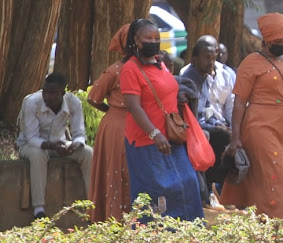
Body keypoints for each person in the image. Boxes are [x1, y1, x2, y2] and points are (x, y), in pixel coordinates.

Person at [222, 13, 283, 217]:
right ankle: (276, 222)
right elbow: (240, 102)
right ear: (265, 40)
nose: (282, 45)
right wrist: (236, 138)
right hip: (261, 126)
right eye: (277, 42)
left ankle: (280, 221)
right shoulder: (251, 62)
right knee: (273, 175)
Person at [119, 19, 203, 221]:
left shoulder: (160, 63)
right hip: (147, 141)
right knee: (156, 191)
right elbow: (133, 106)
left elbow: (167, 91)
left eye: (157, 38)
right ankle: (152, 237)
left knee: (188, 183)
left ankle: (189, 234)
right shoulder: (130, 69)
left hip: (173, 135)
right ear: (135, 41)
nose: (153, 42)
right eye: (148, 38)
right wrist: (155, 134)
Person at [17, 72, 94, 220]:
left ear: (63, 93)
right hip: (31, 145)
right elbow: (32, 138)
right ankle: (39, 209)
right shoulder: (32, 102)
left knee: (88, 153)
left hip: (59, 144)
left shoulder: (74, 102)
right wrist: (52, 146)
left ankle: (91, 204)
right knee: (38, 154)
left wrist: (74, 145)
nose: (47, 97)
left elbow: (79, 133)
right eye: (45, 92)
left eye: (53, 93)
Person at [181, 38, 235, 207]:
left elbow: (206, 109)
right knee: (221, 137)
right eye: (207, 58)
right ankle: (208, 192)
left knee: (233, 137)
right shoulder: (189, 78)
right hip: (188, 126)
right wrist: (214, 127)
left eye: (213, 57)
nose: (211, 62)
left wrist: (217, 123)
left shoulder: (205, 76)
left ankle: (224, 192)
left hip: (202, 125)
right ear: (195, 59)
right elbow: (193, 117)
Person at [87, 24, 131, 222]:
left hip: (139, 125)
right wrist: (114, 111)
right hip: (117, 128)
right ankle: (113, 218)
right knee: (118, 168)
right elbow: (93, 98)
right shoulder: (114, 71)